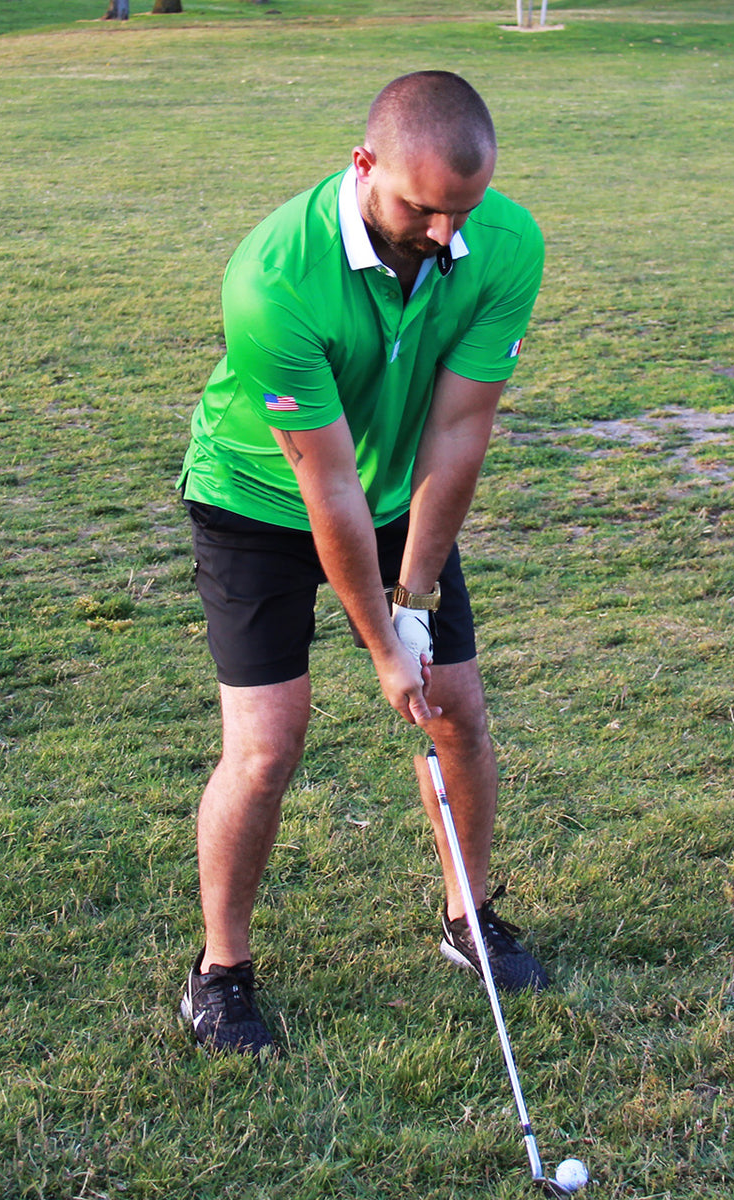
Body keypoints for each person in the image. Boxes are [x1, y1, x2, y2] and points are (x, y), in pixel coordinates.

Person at [177, 70, 547, 1055]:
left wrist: (417, 596)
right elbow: (323, 486)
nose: (441, 232)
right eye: (421, 207)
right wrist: (386, 648)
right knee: (268, 744)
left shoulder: (505, 245)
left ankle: (467, 917)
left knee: (458, 706)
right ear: (363, 165)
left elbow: (459, 433)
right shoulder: (275, 278)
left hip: (392, 497)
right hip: (257, 499)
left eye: (459, 210)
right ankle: (220, 972)